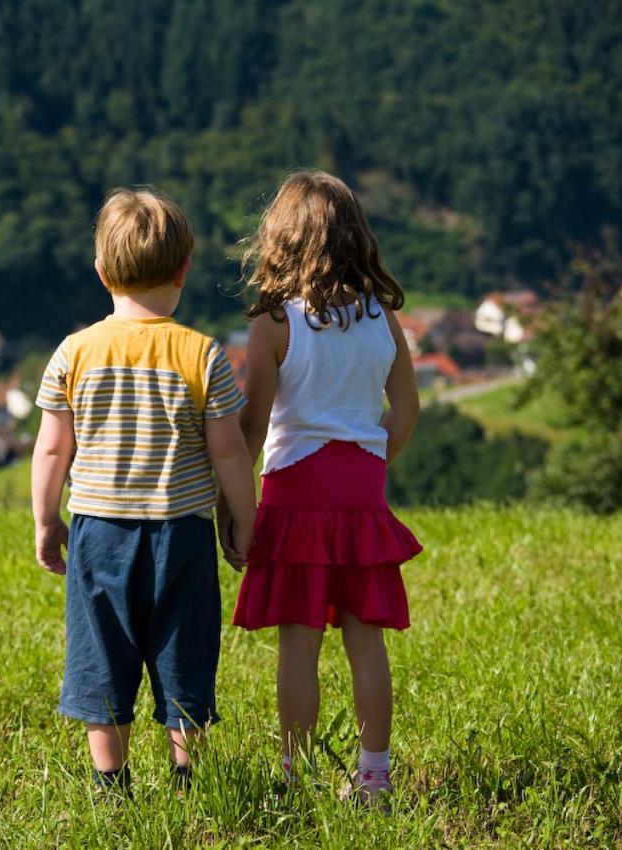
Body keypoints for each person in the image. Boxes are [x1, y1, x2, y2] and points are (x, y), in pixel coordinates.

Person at [31, 186, 256, 796]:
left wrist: (45, 521)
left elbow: (53, 447)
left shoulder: (73, 353)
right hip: (181, 532)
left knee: (101, 655)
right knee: (183, 653)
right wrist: (243, 519)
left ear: (102, 272)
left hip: (98, 532)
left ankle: (112, 787)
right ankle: (188, 781)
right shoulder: (201, 354)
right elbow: (229, 450)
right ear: (185, 267)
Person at [229, 170, 423, 805]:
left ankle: (294, 775)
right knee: (365, 640)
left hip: (293, 495)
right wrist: (372, 458)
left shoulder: (274, 324)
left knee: (299, 641)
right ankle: (374, 774)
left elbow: (253, 424)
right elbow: (407, 410)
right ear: (355, 237)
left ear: (279, 240)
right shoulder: (382, 320)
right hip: (360, 494)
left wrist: (236, 509)